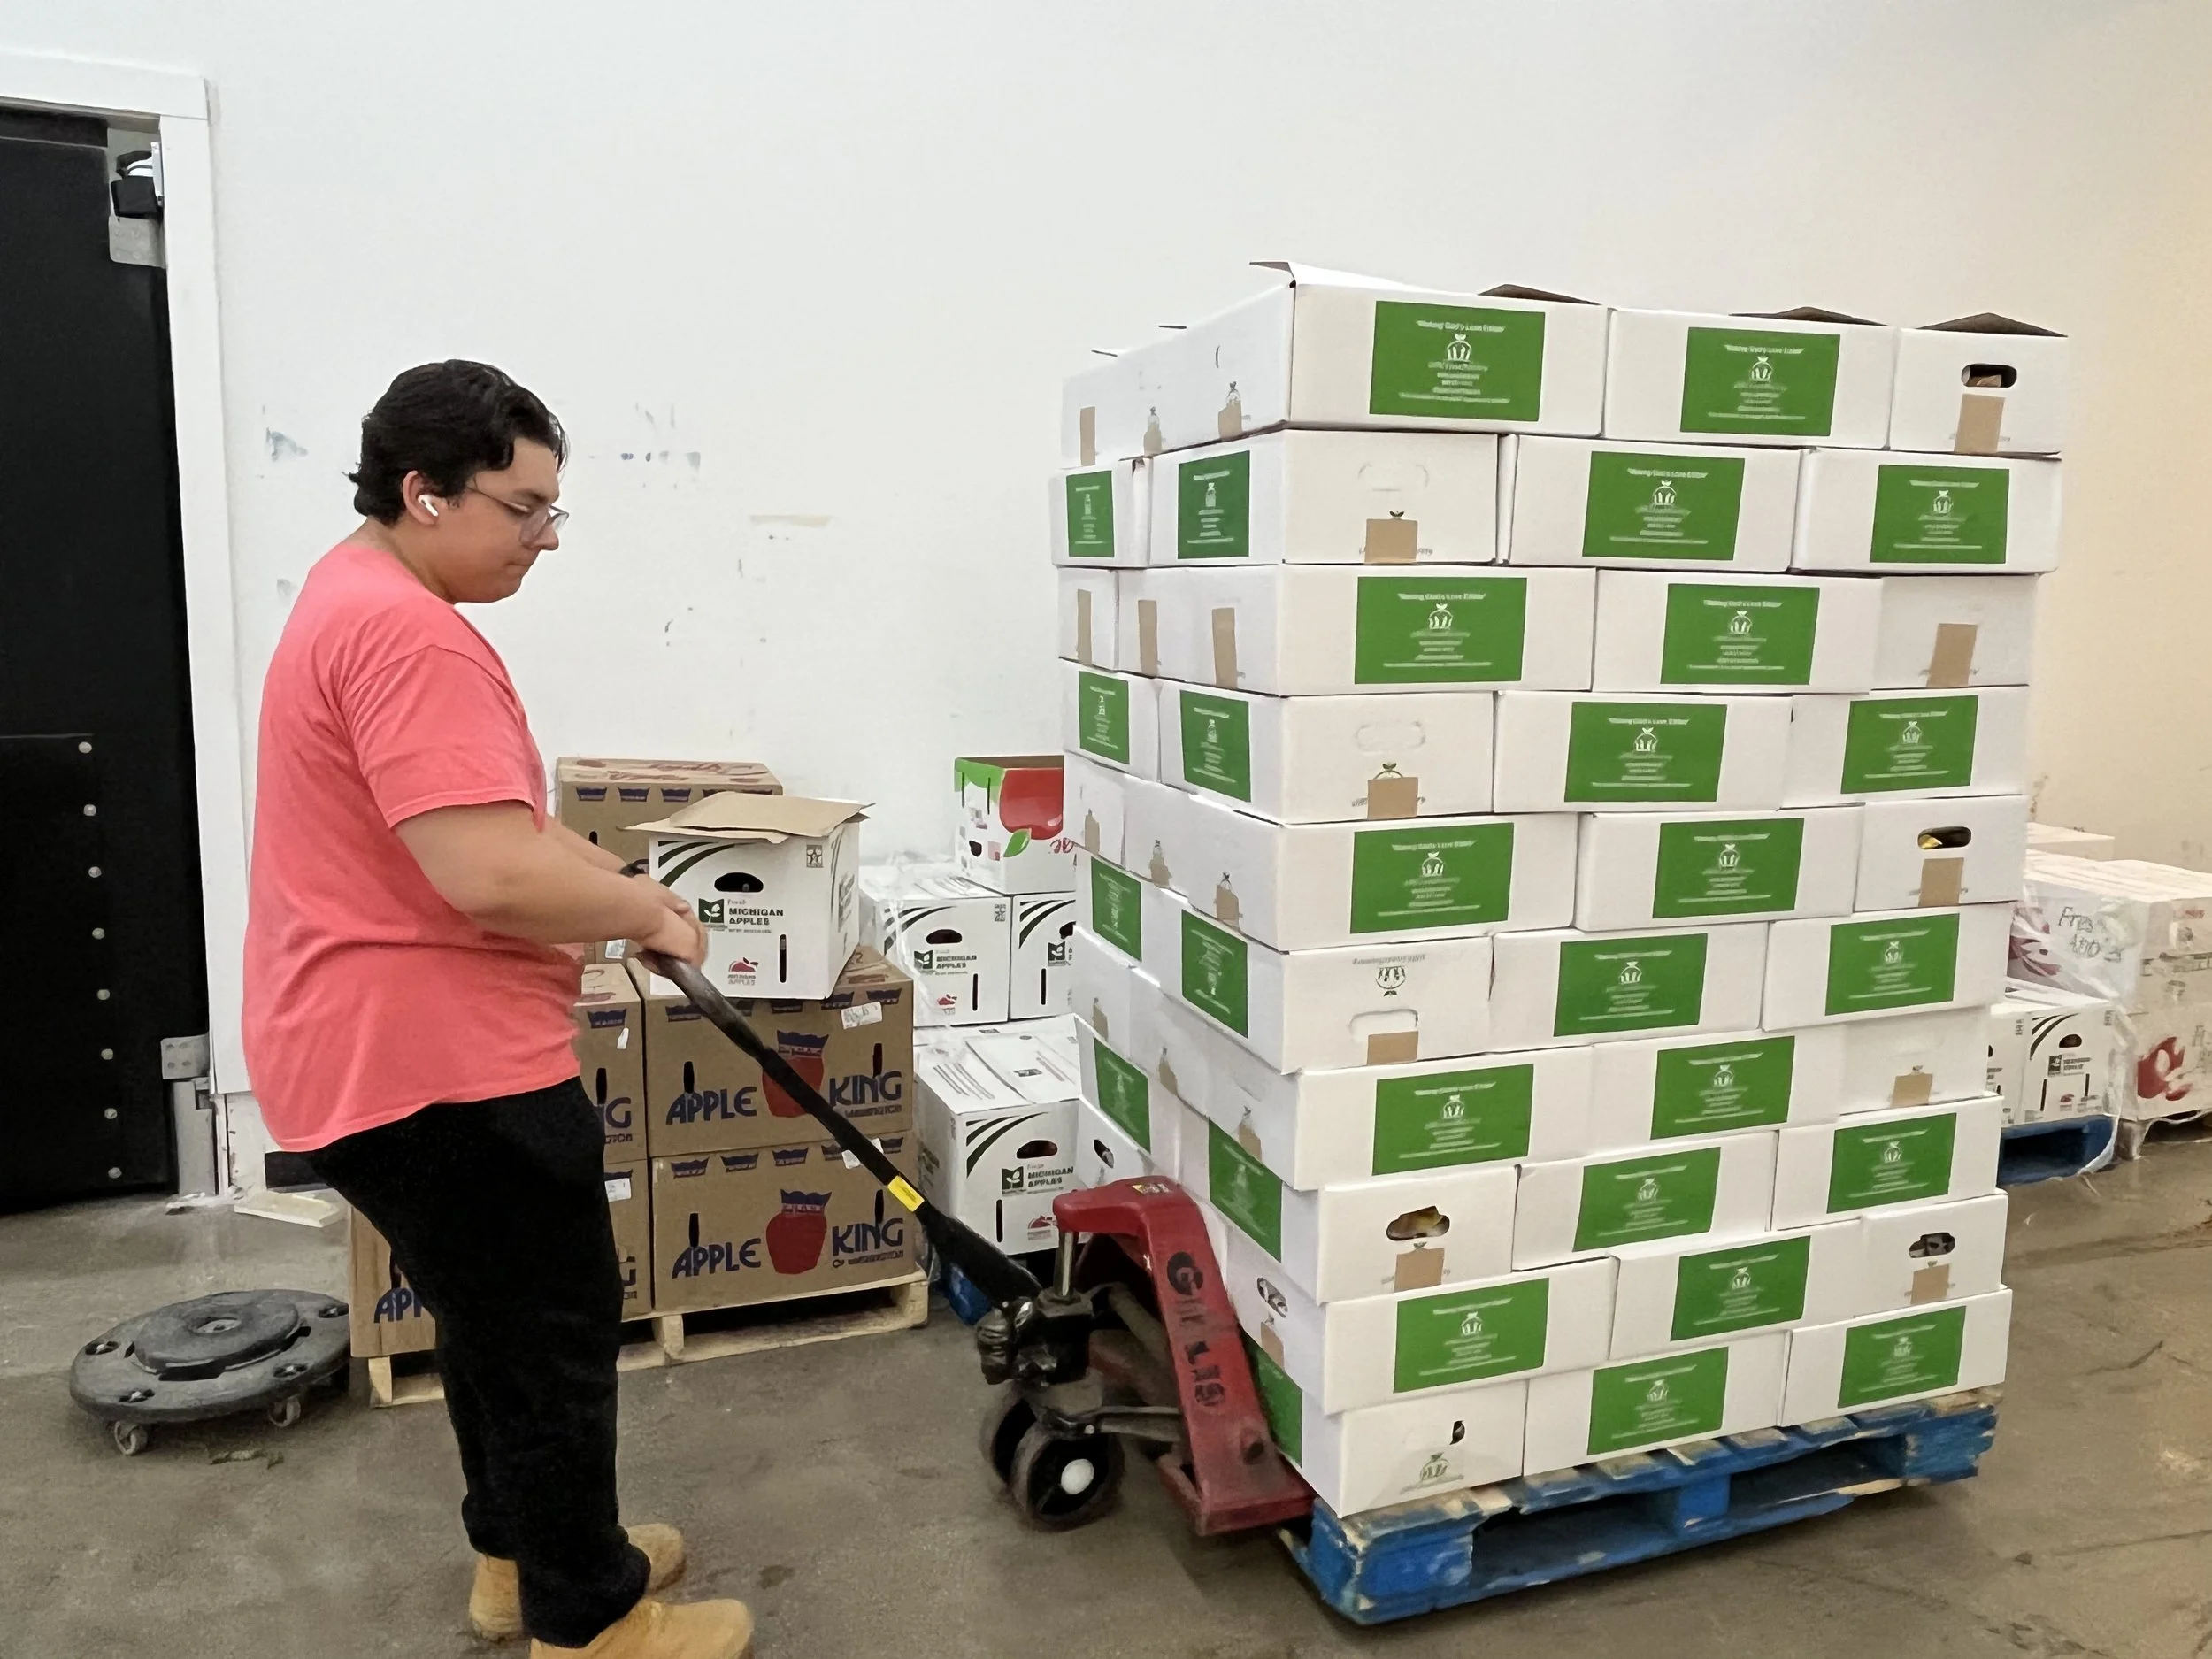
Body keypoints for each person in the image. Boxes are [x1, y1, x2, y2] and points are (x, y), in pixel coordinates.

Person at [242, 361, 753, 1659]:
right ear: (426, 493)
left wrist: (620, 883)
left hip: (365, 1052)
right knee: (549, 1343)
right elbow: (488, 875)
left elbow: (504, 828)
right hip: (441, 1069)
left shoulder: (351, 591)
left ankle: (520, 1563)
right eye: (523, 509)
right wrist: (644, 918)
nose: (546, 538)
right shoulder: (412, 636)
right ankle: (590, 1623)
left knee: (491, 1327)